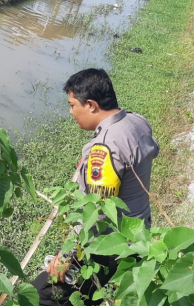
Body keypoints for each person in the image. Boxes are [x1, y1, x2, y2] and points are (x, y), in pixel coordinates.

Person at [33, 68, 159, 305]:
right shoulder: (137, 121)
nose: (71, 112)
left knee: (41, 294)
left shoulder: (103, 149)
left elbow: (97, 212)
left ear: (91, 105)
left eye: (72, 105)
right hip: (139, 231)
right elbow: (154, 149)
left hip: (109, 246)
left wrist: (67, 255)